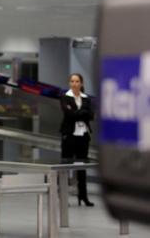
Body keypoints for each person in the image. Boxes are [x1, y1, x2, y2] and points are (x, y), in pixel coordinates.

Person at [60, 73, 94, 207]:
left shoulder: (86, 98)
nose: (74, 84)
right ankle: (63, 197)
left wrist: (78, 113)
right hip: (69, 135)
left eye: (77, 81)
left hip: (83, 135)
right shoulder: (64, 97)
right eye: (72, 81)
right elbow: (69, 114)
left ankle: (83, 196)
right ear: (69, 83)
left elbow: (90, 115)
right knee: (64, 167)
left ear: (82, 83)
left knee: (82, 167)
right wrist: (82, 113)